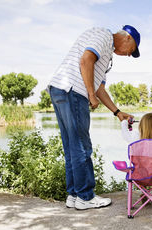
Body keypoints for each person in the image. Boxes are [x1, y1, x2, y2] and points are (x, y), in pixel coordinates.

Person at [48, 25, 140, 210]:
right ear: (128, 38)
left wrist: (117, 112)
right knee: (82, 147)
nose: (129, 55)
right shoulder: (104, 35)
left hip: (60, 90)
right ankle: (86, 197)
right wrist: (90, 94)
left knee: (72, 147)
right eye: (132, 50)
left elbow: (101, 89)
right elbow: (86, 60)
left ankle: (74, 195)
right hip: (73, 91)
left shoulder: (107, 56)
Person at [120, 113, 152, 203]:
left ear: (141, 126)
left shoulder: (136, 137)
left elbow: (125, 134)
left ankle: (144, 192)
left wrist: (124, 122)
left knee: (137, 171)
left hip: (140, 176)